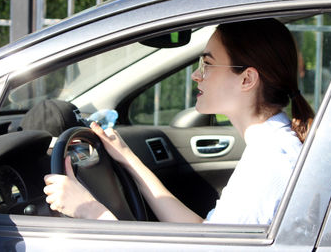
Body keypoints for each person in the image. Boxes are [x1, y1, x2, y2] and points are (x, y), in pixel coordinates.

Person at [43, 18, 314, 224]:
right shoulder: (272, 147)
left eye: (207, 64)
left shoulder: (269, 163)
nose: (196, 75)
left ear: (247, 79)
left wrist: (90, 210)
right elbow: (205, 236)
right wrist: (128, 159)